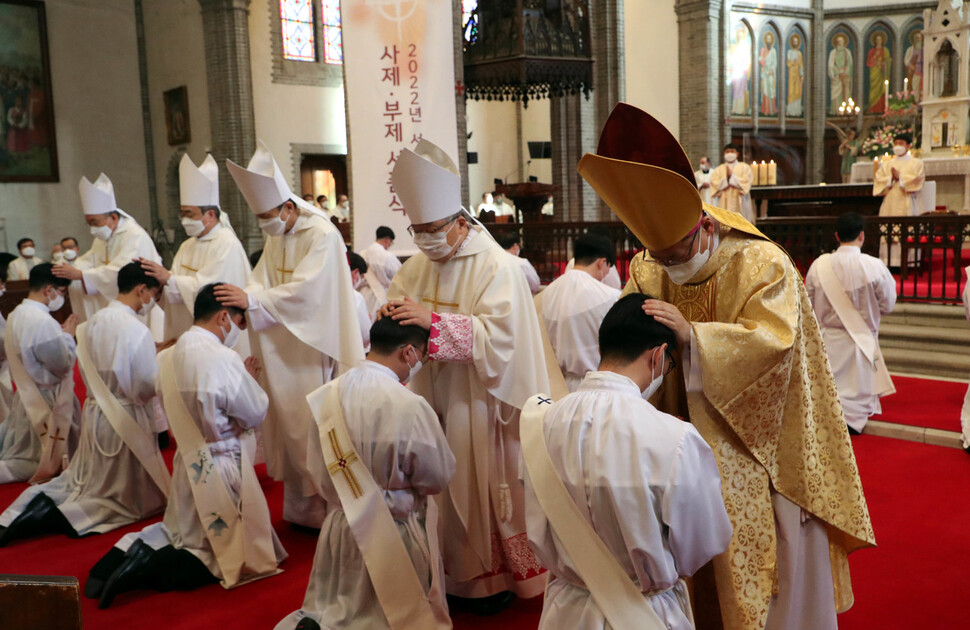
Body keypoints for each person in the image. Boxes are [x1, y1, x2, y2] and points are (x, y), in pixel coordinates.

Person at [578, 103, 875, 630]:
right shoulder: (649, 263)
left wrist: (694, 338)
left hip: (760, 453)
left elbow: (776, 348)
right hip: (677, 447)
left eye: (675, 254)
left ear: (705, 228)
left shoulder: (761, 263)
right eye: (658, 257)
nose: (666, 267)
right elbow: (632, 334)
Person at [383, 139, 550, 610]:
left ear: (460, 221)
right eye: (416, 230)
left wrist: (431, 324)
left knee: (474, 491)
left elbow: (504, 341)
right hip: (428, 396)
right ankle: (444, 574)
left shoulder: (498, 266)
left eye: (433, 228)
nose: (424, 239)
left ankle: (488, 580)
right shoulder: (416, 266)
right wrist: (393, 315)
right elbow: (401, 309)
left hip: (479, 401)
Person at [521, 293, 732, 630]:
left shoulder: (541, 423)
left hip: (566, 609)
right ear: (659, 356)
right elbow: (705, 542)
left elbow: (535, 516)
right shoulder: (675, 438)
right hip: (643, 612)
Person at [86, 283, 287, 609]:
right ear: (224, 317)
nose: (238, 330)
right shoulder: (222, 357)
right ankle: (146, 568)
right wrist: (247, 378)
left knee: (181, 531)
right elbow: (254, 412)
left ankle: (120, 556)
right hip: (220, 466)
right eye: (239, 322)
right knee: (228, 553)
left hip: (187, 461)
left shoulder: (171, 352)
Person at [274, 317, 455, 630]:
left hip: (342, 523)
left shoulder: (326, 395)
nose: (420, 363)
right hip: (395, 532)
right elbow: (436, 476)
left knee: (339, 609)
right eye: (421, 356)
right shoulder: (410, 404)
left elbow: (316, 468)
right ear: (408, 352)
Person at [220, 140, 364, 528]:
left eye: (268, 214)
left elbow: (309, 291)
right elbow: (261, 277)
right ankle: (302, 509)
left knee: (309, 426)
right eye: (259, 216)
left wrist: (254, 301)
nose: (265, 223)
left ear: (287, 206)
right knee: (287, 425)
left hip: (310, 344)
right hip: (280, 344)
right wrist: (247, 299)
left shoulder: (322, 234)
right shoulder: (278, 233)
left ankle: (331, 508)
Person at [0, 263, 168, 546]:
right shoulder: (135, 329)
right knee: (121, 496)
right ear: (142, 290)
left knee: (84, 481)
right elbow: (143, 385)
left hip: (97, 412)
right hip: (124, 416)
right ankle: (58, 517)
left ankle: (26, 514)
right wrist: (163, 362)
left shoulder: (95, 320)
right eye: (155, 295)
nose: (153, 303)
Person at [139, 154, 251, 346]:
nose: (184, 221)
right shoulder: (187, 246)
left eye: (189, 214)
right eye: (182, 214)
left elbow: (212, 294)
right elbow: (174, 288)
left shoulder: (227, 244)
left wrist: (170, 279)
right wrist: (159, 288)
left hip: (214, 339)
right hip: (183, 329)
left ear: (210, 214)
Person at [805, 213, 897, 435]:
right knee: (858, 387)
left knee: (829, 388)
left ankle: (828, 414)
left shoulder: (819, 265)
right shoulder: (874, 266)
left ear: (837, 235)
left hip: (827, 341)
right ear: (862, 236)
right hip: (861, 342)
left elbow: (807, 304)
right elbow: (888, 303)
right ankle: (853, 417)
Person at [0, 263, 81, 484]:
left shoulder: (17, 313)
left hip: (28, 395)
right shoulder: (42, 321)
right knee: (39, 459)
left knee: (29, 451)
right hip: (48, 400)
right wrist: (67, 336)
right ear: (48, 290)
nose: (61, 297)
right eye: (61, 292)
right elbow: (62, 365)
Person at [53, 174, 164, 332]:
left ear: (112, 217)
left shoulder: (134, 235)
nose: (92, 228)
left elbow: (123, 272)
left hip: (138, 309)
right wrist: (68, 268)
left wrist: (81, 275)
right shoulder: (103, 237)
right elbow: (90, 259)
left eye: (94, 222)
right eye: (88, 223)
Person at [537, 233, 620, 392]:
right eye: (609, 267)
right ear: (602, 262)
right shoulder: (609, 296)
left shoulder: (548, 292)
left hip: (557, 384)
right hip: (597, 385)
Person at [875, 133, 924, 217]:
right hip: (890, 200)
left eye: (901, 143)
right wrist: (891, 178)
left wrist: (900, 178)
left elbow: (917, 179)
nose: (897, 146)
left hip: (907, 198)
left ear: (908, 146)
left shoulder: (916, 163)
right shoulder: (887, 164)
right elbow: (878, 179)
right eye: (896, 143)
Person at [360, 226, 402, 317]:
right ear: (387, 240)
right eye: (391, 242)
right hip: (382, 296)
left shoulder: (362, 254)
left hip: (364, 294)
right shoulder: (387, 256)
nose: (390, 245)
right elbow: (399, 276)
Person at [710, 143, 754, 222]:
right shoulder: (719, 169)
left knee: (741, 223)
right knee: (725, 222)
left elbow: (746, 181)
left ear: (737, 154)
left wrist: (731, 178)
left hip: (740, 199)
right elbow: (714, 183)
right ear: (724, 154)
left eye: (732, 151)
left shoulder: (744, 167)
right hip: (724, 200)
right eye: (727, 151)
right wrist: (726, 180)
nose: (730, 153)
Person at [348, 252, 373, 350]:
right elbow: (365, 337)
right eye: (361, 277)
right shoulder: (355, 297)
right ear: (355, 273)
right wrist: (368, 321)